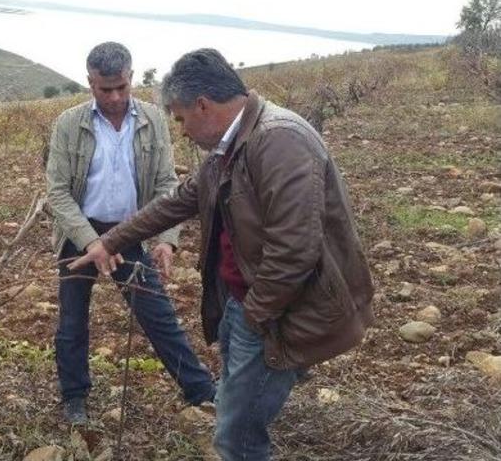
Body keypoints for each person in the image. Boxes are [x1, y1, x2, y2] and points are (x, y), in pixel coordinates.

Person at [70, 48, 374, 459]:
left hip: (274, 313)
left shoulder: (280, 140)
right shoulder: (234, 144)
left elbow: (294, 252)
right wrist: (110, 242)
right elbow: (179, 201)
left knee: (236, 438)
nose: (180, 131)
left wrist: (253, 317)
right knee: (235, 418)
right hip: (245, 302)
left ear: (203, 106)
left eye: (180, 118)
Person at [45, 41, 217, 425]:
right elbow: (57, 193)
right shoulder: (69, 123)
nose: (115, 97)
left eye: (122, 86)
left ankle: (200, 390)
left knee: (157, 313)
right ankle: (74, 398)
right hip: (79, 235)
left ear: (131, 77)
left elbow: (166, 185)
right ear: (90, 82)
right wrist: (93, 242)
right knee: (72, 321)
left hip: (130, 232)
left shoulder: (153, 118)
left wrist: (166, 239)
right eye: (105, 89)